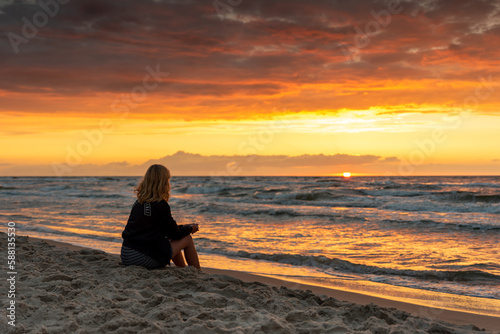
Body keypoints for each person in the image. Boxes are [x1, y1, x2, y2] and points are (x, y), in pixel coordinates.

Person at [121, 164, 201, 270]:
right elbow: (175, 234)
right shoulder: (160, 205)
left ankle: (182, 269)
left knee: (169, 239)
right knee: (187, 238)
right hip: (141, 259)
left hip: (127, 254)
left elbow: (165, 229)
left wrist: (183, 227)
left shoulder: (139, 202)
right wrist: (190, 229)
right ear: (163, 182)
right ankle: (198, 273)